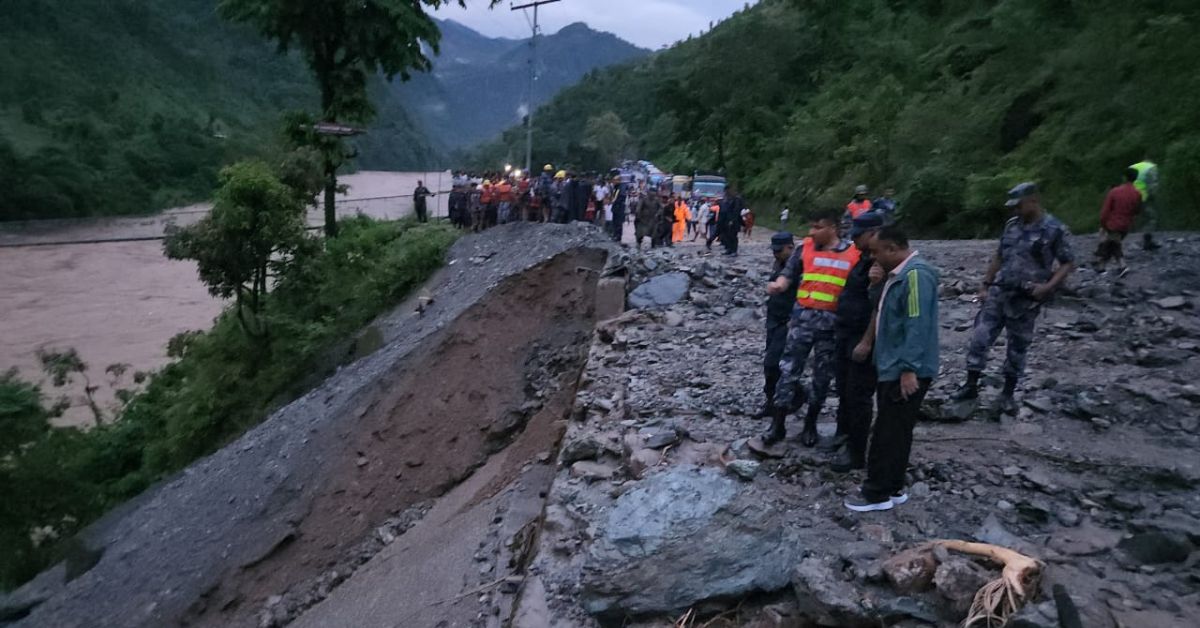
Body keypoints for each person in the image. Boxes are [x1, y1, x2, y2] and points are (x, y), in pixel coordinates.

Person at [950, 182, 1075, 415]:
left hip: (1026, 299)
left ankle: (1007, 394)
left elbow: (1068, 262)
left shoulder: (1054, 229)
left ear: (1033, 201)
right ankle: (970, 385)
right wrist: (985, 284)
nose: (1015, 210)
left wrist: (1048, 287)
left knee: (1017, 347)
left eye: (1018, 205)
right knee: (979, 338)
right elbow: (999, 255)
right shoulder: (1011, 226)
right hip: (1000, 292)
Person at [844, 224, 940, 513]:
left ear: (892, 249)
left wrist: (909, 368)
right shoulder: (897, 277)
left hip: (903, 369)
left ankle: (876, 493)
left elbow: (916, 323)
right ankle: (893, 486)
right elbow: (888, 312)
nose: (873, 259)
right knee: (897, 429)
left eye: (876, 253)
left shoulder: (915, 278)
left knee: (888, 432)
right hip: (894, 365)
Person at [761, 209, 860, 447]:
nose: (811, 232)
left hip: (832, 325)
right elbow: (789, 273)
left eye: (818, 227)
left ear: (833, 228)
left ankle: (810, 424)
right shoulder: (804, 249)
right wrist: (779, 285)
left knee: (822, 377)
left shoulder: (853, 254)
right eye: (811, 227)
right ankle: (778, 424)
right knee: (788, 372)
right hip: (802, 321)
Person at [829, 212, 886, 472]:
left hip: (862, 338)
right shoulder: (863, 259)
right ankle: (844, 435)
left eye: (858, 235)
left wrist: (866, 341)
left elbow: (880, 307)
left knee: (859, 395)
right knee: (844, 389)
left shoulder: (882, 264)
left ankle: (856, 452)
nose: (854, 240)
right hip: (845, 333)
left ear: (874, 233)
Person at [753, 232, 800, 420]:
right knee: (771, 364)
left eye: (779, 251)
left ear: (790, 247)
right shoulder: (780, 263)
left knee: (773, 364)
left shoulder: (798, 267)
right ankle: (773, 400)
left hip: (788, 322)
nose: (775, 254)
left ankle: (787, 398)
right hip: (774, 320)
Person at [1095, 168, 1142, 276]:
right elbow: (1137, 211)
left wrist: (1103, 224)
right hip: (1126, 225)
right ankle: (1101, 267)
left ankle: (1122, 266)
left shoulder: (1115, 191)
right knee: (1111, 243)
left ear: (1125, 177)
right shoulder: (1137, 194)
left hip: (1113, 224)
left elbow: (1105, 211)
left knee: (1114, 244)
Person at [1129, 158, 1161, 251]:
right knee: (1151, 218)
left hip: (1131, 196)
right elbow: (1153, 184)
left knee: (1137, 217)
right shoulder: (1152, 168)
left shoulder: (1134, 167)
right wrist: (1153, 196)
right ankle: (1148, 242)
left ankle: (1114, 240)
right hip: (1144, 196)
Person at [717, 187, 745, 256]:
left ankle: (734, 251)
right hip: (727, 220)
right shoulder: (729, 199)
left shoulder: (736, 199)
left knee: (733, 236)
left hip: (734, 221)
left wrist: (732, 220)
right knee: (727, 236)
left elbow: (736, 211)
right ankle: (729, 249)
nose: (726, 193)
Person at [610, 176, 628, 242]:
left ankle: (618, 236)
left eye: (615, 180)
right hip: (615, 207)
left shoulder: (621, 188)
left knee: (618, 222)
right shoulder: (616, 188)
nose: (614, 182)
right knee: (614, 222)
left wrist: (616, 202)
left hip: (619, 207)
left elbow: (622, 197)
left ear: (619, 181)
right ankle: (615, 234)